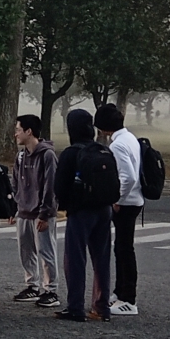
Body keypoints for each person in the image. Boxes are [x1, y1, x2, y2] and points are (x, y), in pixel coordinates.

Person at [53, 109, 114, 323]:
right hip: (104, 209)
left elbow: (59, 186)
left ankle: (75, 306)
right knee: (102, 259)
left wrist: (65, 204)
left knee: (76, 258)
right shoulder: (102, 149)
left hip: (80, 210)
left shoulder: (71, 152)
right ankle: (101, 306)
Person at [96, 103, 145, 316]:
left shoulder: (117, 146)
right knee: (122, 248)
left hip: (127, 203)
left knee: (124, 249)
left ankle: (129, 299)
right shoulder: (129, 138)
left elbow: (129, 176)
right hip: (134, 200)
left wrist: (117, 198)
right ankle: (120, 291)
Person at [9, 115, 61, 309]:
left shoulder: (47, 155)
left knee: (46, 251)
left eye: (18, 129)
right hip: (24, 210)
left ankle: (51, 290)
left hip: (41, 213)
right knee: (25, 250)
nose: (15, 133)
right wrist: (16, 205)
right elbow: (15, 182)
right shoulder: (21, 156)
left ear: (29, 131)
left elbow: (50, 186)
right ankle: (32, 285)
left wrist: (46, 213)